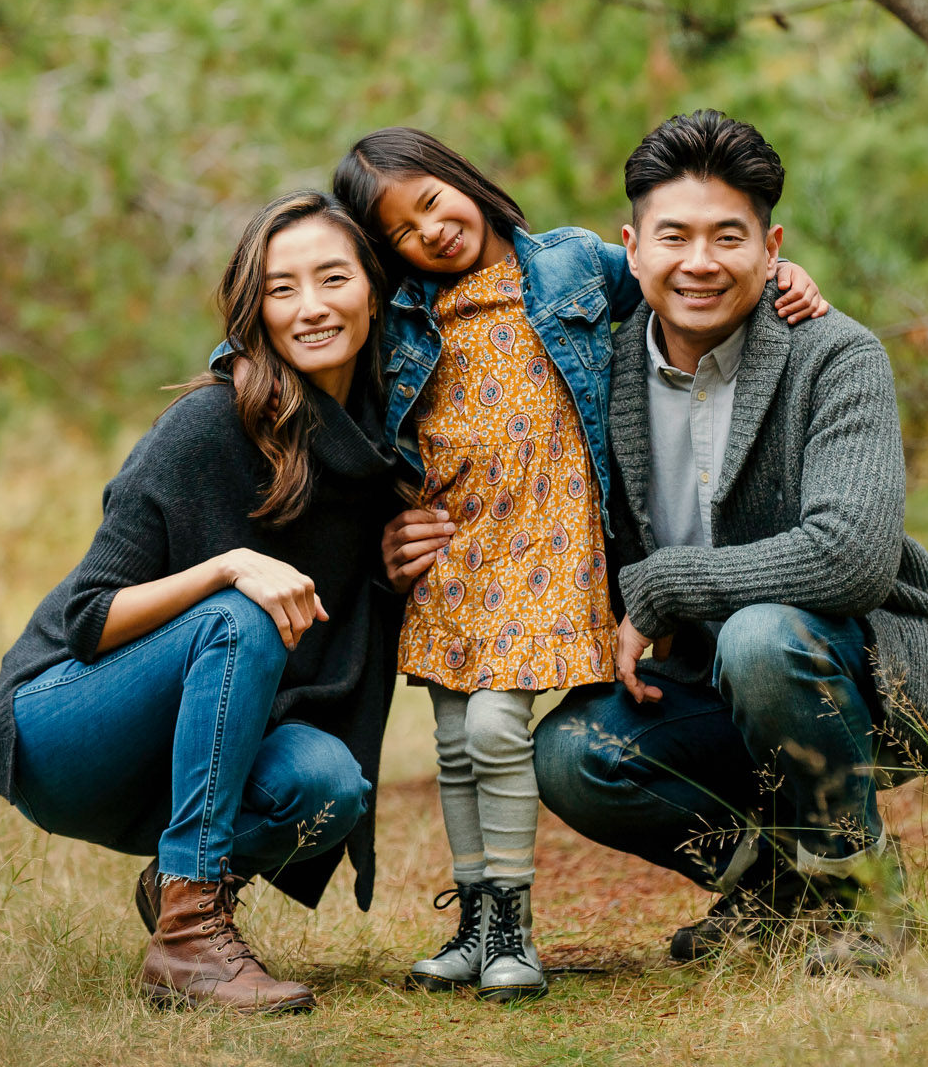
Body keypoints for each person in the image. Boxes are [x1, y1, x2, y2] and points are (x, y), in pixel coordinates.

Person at [386, 111, 928, 977]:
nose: (700, 262)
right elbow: (498, 455)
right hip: (690, 683)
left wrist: (664, 587)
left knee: (761, 637)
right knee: (570, 756)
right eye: (674, 236)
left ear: (772, 245)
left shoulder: (835, 355)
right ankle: (780, 893)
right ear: (632, 249)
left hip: (855, 667)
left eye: (728, 237)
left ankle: (858, 894)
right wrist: (402, 522)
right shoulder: (592, 359)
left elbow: (853, 556)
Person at [336, 128, 831, 1001]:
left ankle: (517, 925)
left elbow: (680, 269)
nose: (433, 231)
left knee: (497, 731)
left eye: (433, 201)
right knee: (455, 744)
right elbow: (320, 354)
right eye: (403, 231)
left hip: (551, 545)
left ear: (464, 180)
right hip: (460, 549)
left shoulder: (569, 265)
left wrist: (786, 278)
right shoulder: (406, 314)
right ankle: (476, 922)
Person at [0, 191, 402, 1015]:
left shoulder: (379, 451)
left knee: (330, 787)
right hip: (65, 723)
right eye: (282, 289)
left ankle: (181, 886)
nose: (310, 307)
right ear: (256, 311)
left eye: (332, 278)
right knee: (237, 609)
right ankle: (189, 941)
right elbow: (90, 618)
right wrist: (225, 567)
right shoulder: (208, 424)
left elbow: (342, 622)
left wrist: (391, 568)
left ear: (374, 291)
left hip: (208, 736)